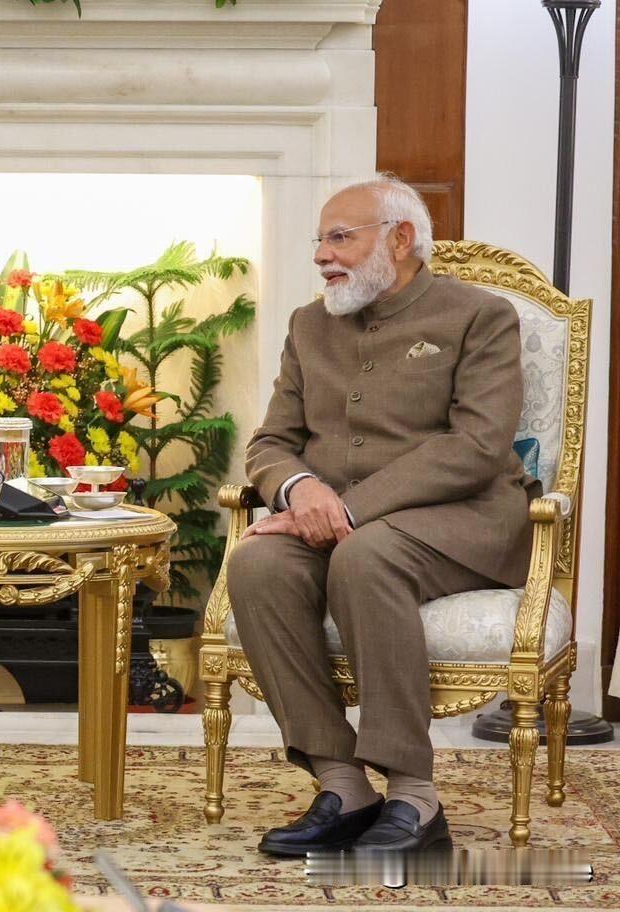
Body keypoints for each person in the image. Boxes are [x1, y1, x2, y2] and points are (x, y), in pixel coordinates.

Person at [228, 175, 537, 855]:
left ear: (400, 240)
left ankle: (415, 797)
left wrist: (346, 508)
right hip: (334, 520)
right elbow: (272, 442)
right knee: (257, 563)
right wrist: (299, 490)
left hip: (462, 518)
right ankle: (344, 786)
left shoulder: (479, 316)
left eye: (340, 237)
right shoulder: (309, 325)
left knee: (365, 556)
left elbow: (478, 446)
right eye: (320, 240)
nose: (322, 255)